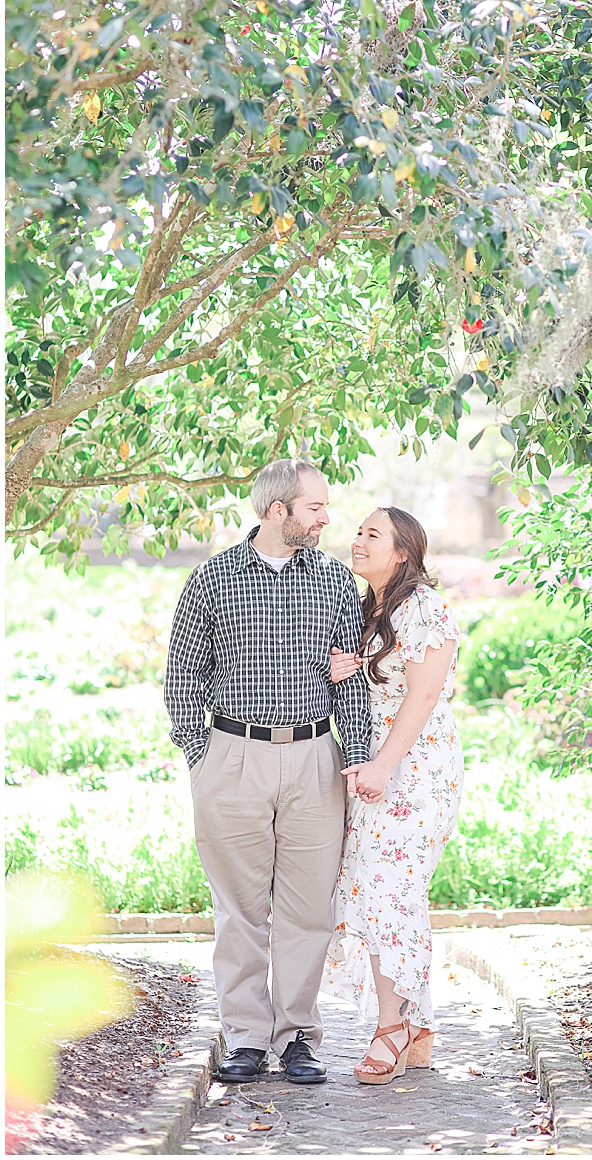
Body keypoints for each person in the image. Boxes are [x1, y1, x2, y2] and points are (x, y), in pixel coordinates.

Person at [163, 459, 371, 1085]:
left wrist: (355, 758)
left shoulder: (336, 582)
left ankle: (298, 1038)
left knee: (309, 909)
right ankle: (247, 1038)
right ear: (278, 510)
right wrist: (205, 760)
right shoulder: (212, 579)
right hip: (232, 756)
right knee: (239, 910)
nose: (327, 519)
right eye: (315, 508)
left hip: (314, 759)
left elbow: (350, 681)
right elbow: (182, 679)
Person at [322, 507, 464, 1085]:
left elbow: (422, 697)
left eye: (371, 534)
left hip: (414, 769)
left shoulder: (422, 608)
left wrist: (382, 763)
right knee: (386, 891)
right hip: (377, 768)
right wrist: (342, 670)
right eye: (357, 532)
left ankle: (392, 1025)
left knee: (386, 893)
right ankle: (417, 1023)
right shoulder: (369, 610)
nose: (357, 541)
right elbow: (377, 687)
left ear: (403, 551)